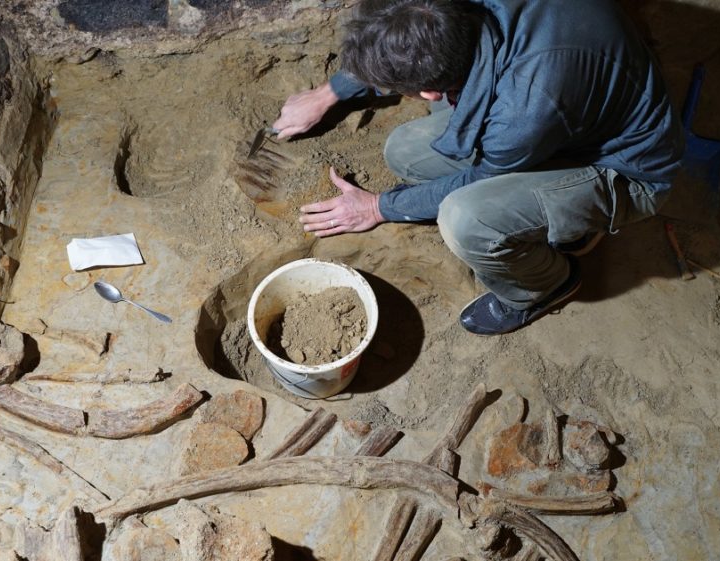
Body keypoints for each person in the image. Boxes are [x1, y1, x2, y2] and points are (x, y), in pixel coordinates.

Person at [271, 0, 683, 335]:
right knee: (405, 152)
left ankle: (543, 287)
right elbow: (398, 26)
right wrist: (329, 93)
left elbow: (479, 178)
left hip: (628, 169)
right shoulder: (450, 13)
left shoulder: (522, 112)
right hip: (582, 103)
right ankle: (561, 218)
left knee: (466, 218)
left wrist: (377, 207)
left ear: (430, 90)